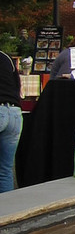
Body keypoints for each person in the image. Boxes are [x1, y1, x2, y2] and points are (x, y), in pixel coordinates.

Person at [0, 48, 23, 192]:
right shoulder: (5, 57)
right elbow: (17, 86)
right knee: (5, 170)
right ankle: (7, 211)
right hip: (15, 113)